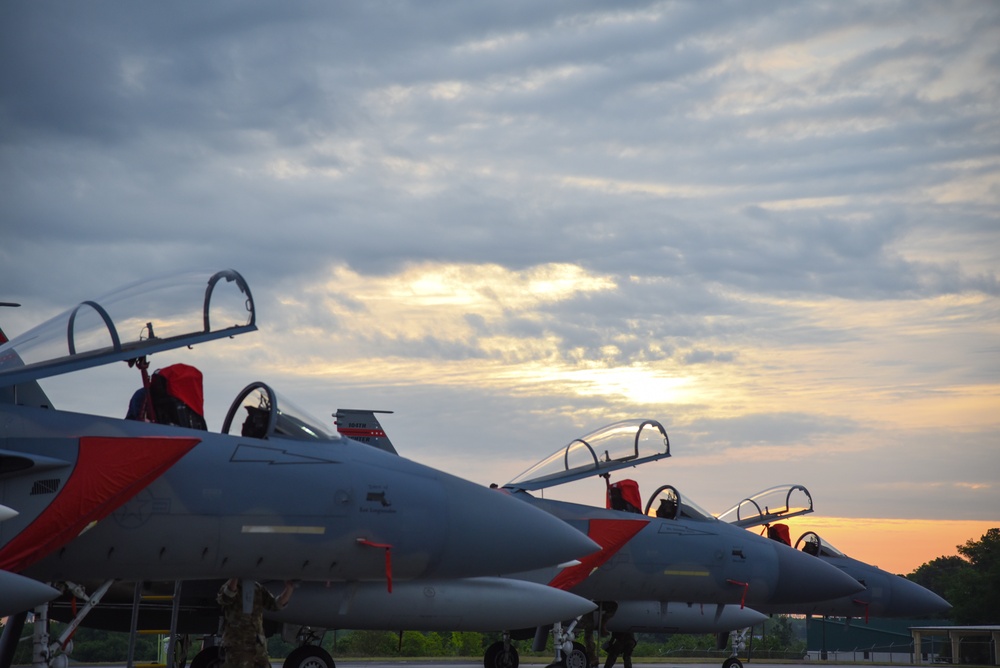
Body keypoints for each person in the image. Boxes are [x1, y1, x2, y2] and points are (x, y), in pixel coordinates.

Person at [217, 578, 294, 668]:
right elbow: (227, 597)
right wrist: (235, 577)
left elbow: (275, 605)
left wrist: (289, 588)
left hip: (257, 644)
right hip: (238, 644)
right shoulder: (228, 586)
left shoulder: (257, 587)